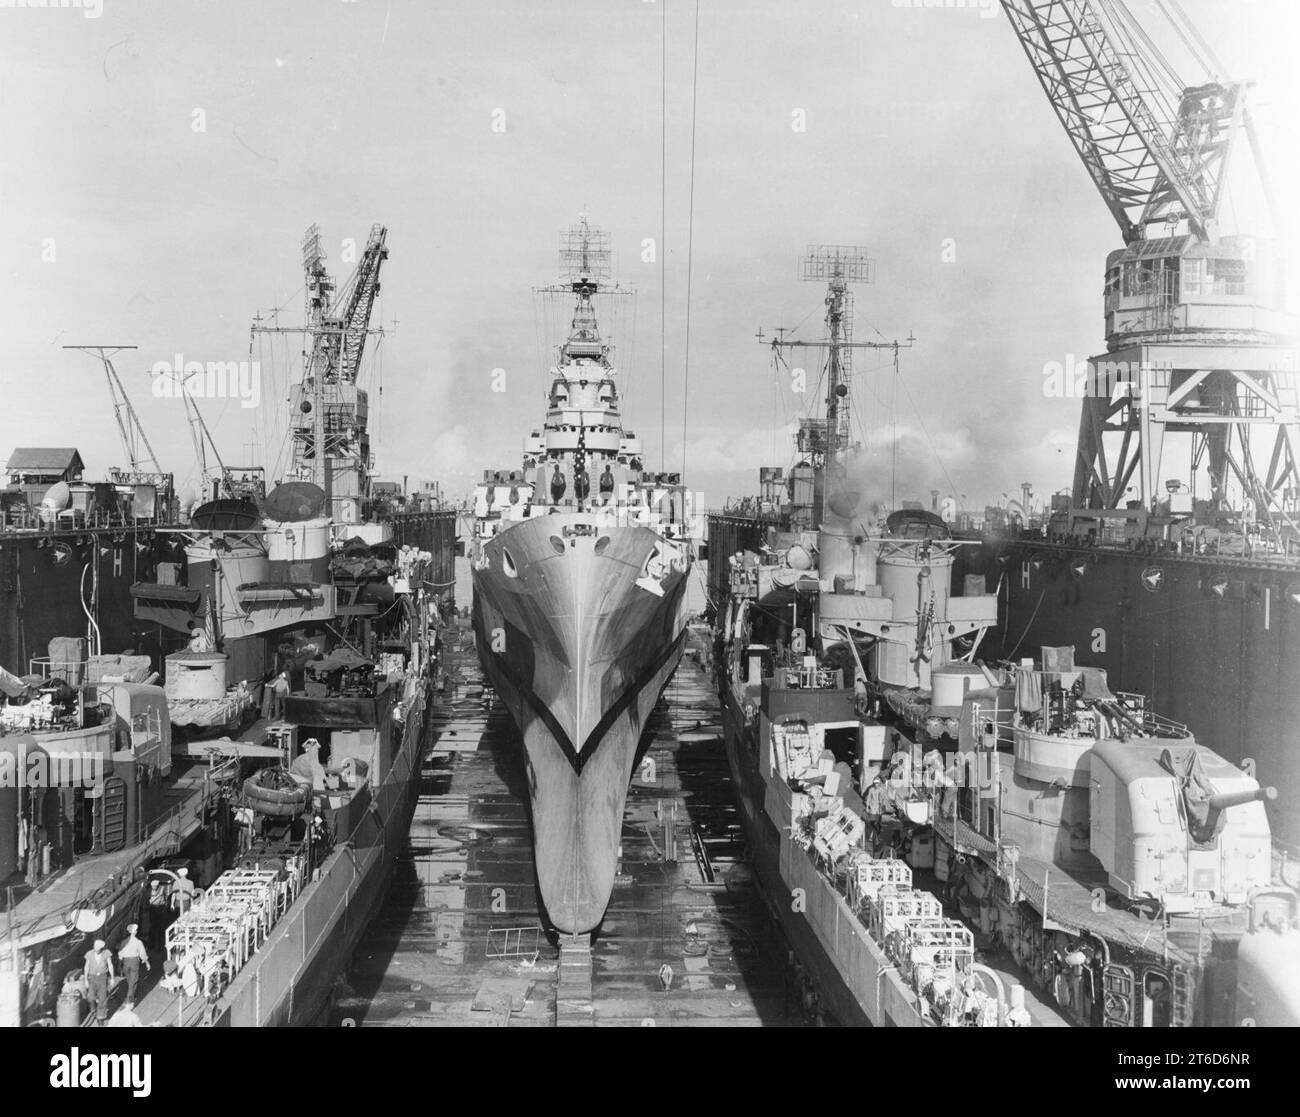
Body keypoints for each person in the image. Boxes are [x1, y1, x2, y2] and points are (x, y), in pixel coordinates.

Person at [83, 939, 114, 1023]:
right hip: (92, 977)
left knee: (102, 998)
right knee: (91, 997)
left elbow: (110, 965)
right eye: (95, 947)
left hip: (103, 977)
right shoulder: (89, 954)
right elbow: (86, 966)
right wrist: (85, 980)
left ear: (101, 948)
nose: (96, 949)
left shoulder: (106, 953)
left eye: (98, 948)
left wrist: (112, 978)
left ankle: (100, 1017)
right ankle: (93, 1009)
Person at [117, 923, 150, 1002]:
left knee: (130, 981)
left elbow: (120, 954)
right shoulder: (138, 942)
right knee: (133, 982)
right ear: (134, 932)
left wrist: (120, 964)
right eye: (136, 930)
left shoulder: (123, 942)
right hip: (134, 962)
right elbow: (143, 954)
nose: (137, 931)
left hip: (125, 962)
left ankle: (131, 996)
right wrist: (147, 963)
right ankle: (129, 1000)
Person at [863, 777, 887, 856]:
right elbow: (869, 798)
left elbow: (883, 799)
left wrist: (883, 806)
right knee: (872, 823)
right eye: (875, 783)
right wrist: (867, 807)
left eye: (877, 783)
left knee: (878, 824)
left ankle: (877, 836)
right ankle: (871, 836)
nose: (876, 784)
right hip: (873, 809)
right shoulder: (871, 790)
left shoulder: (881, 790)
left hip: (878, 810)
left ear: (879, 783)